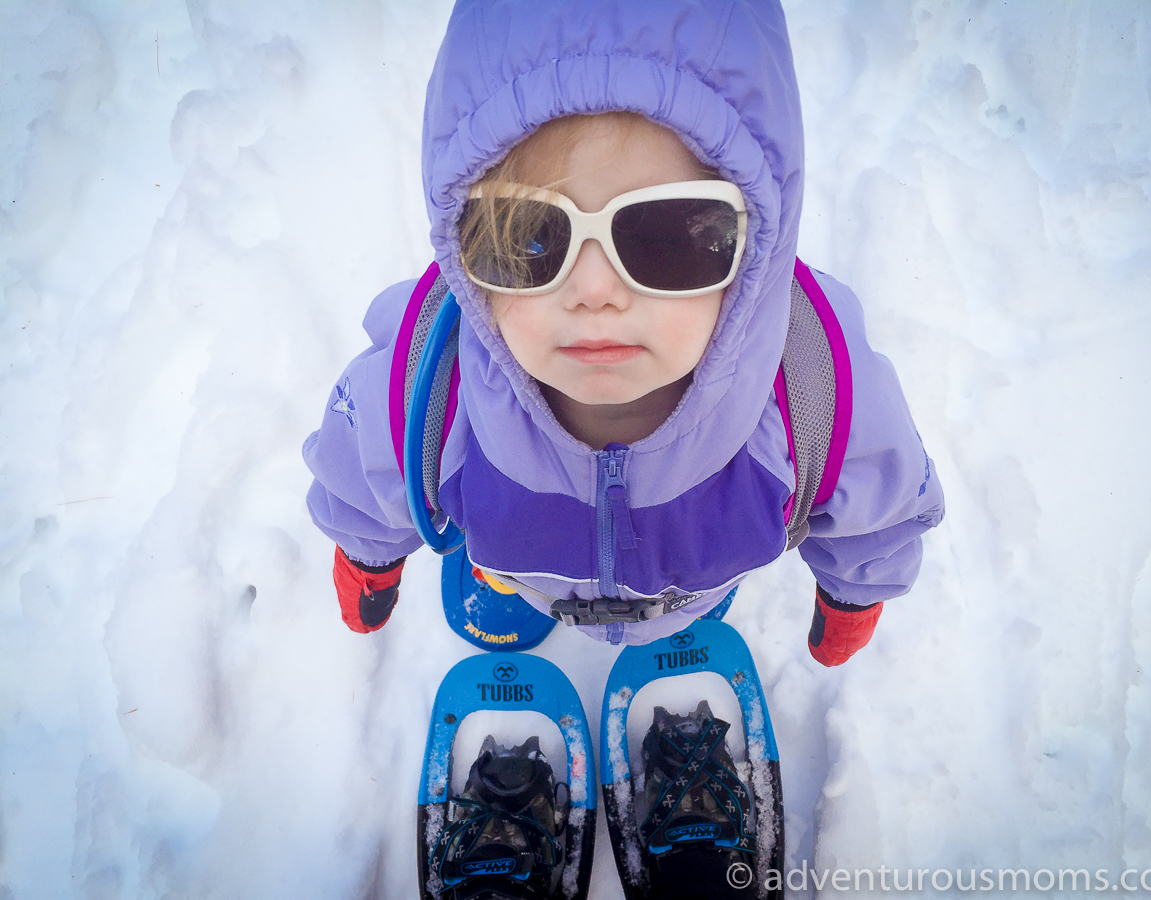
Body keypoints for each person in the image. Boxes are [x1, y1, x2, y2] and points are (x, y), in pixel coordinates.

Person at [302, 0, 945, 663]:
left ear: (757, 244)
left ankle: (685, 598)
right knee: (506, 552)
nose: (593, 292)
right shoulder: (429, 383)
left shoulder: (816, 387)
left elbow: (880, 505)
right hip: (526, 568)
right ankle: (506, 576)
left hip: (691, 578)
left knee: (692, 576)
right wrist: (366, 560)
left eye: (667, 233)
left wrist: (856, 593)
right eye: (528, 237)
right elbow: (362, 472)